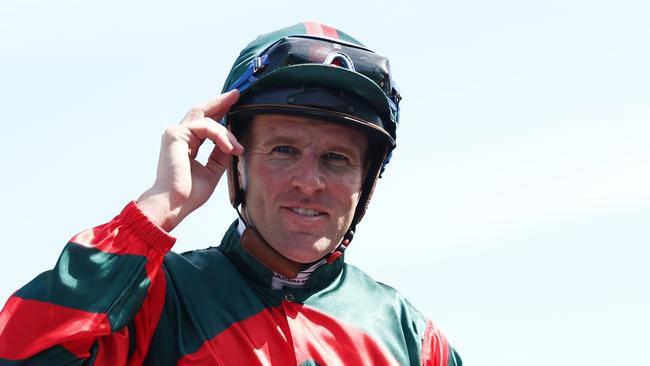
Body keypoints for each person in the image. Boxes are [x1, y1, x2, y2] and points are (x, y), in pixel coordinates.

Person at [0, 22, 461, 365]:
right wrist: (157, 209)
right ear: (235, 161)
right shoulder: (153, 299)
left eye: (336, 159)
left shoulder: (413, 339)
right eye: (284, 150)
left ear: (369, 181)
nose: (309, 182)